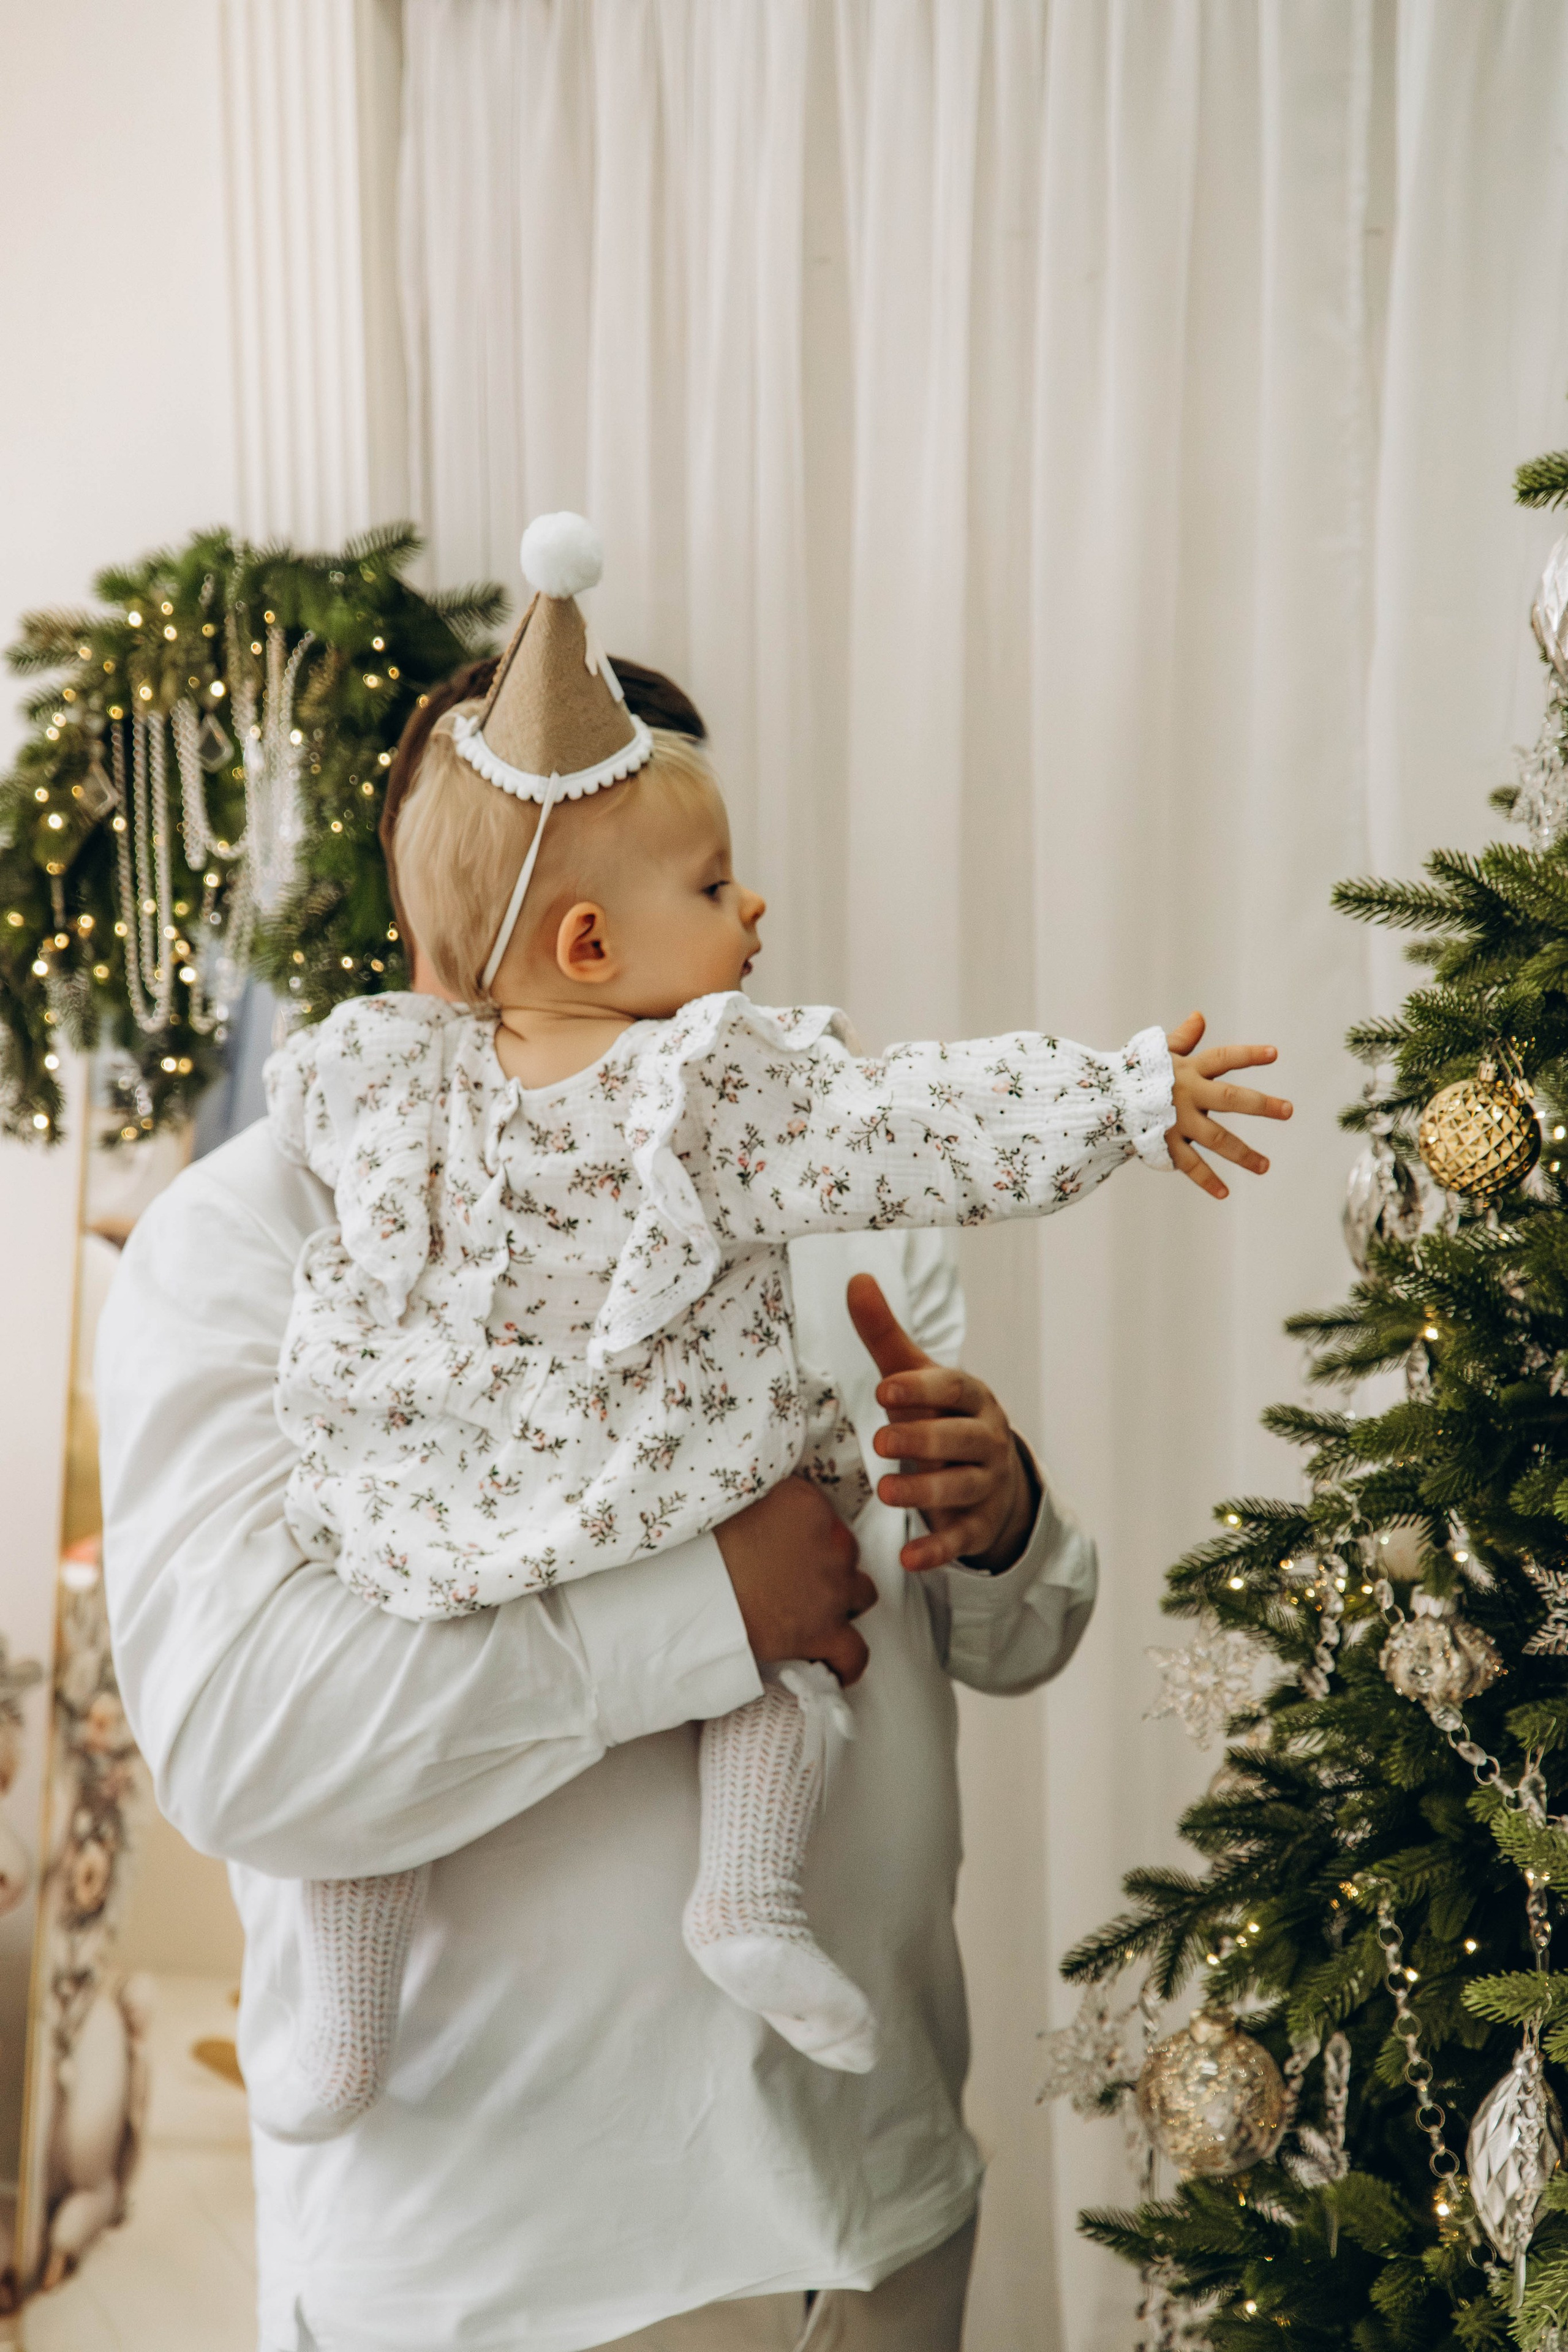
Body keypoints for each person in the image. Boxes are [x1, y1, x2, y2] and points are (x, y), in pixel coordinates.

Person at [96, 549, 1287, 2352]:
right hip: (513, 2280)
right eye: (699, 885)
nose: (746, 926)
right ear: (521, 916)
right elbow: (246, 1746)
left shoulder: (802, 1167)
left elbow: (1004, 1641)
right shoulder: (253, 1235)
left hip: (871, 2210)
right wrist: (711, 1608)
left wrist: (1007, 1519)